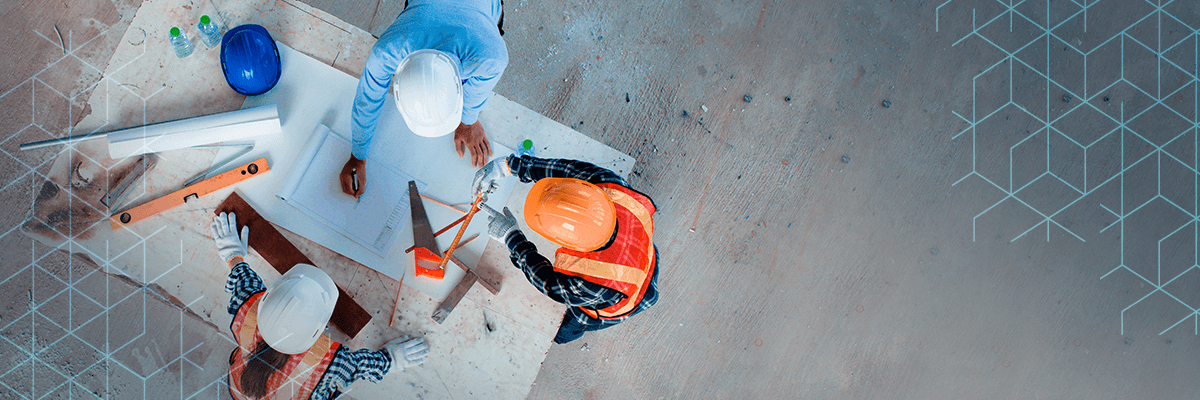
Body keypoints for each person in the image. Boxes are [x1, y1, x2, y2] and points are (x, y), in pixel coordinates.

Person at [211, 212, 430, 399]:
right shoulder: (327, 363)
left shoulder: (247, 309)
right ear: (319, 331)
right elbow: (358, 367)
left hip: (239, 390)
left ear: (267, 299)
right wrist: (391, 360)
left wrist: (233, 254)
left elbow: (243, 282)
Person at [472, 155, 661, 343]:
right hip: (644, 254)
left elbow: (547, 282)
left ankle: (561, 337)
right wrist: (509, 166)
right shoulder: (608, 187)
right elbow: (569, 170)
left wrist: (511, 237)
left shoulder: (590, 281)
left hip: (625, 299)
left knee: (568, 326)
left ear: (571, 243)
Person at [340, 0, 509, 199]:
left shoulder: (490, 57)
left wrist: (467, 121)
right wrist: (358, 156)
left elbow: (368, 100)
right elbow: (367, 101)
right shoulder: (387, 51)